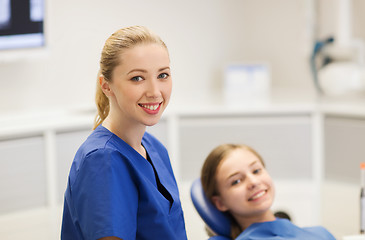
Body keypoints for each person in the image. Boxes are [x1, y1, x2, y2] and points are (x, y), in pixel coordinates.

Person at [61, 26, 187, 240]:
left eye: (163, 75)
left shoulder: (153, 147)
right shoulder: (103, 161)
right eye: (137, 78)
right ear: (106, 86)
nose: (155, 92)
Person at [200, 143, 336, 240]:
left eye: (256, 171)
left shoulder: (320, 233)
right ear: (220, 203)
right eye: (236, 181)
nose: (253, 182)